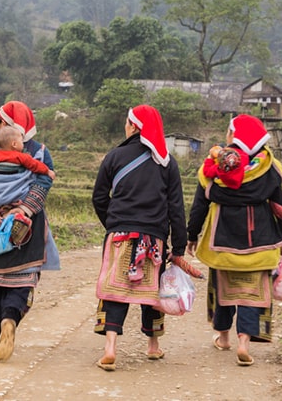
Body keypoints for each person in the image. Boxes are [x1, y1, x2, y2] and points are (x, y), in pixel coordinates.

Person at [186, 114, 282, 367]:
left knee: (223, 289)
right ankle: (244, 342)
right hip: (262, 241)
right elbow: (279, 206)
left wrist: (192, 235)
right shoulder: (269, 166)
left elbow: (200, 203)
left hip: (222, 239)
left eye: (229, 131)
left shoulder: (216, 166)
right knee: (251, 294)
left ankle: (223, 338)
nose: (227, 135)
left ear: (236, 136)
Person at [91, 105, 187, 371]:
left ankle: (110, 347)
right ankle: (153, 346)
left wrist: (112, 225)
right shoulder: (167, 162)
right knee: (152, 291)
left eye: (127, 122)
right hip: (153, 239)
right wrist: (178, 246)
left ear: (134, 126)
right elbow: (176, 208)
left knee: (114, 289)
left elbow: (99, 198)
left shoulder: (115, 156)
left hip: (119, 235)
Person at [0, 101, 61, 363]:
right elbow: (44, 181)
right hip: (22, 228)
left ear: (12, 125)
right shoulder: (40, 153)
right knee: (23, 276)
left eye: (1, 121)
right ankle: (10, 318)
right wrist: (23, 211)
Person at [0, 124, 56, 211]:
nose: (23, 143)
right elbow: (35, 165)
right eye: (21, 140)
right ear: (14, 144)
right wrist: (47, 171)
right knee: (27, 185)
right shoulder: (22, 156)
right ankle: (14, 204)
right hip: (15, 191)